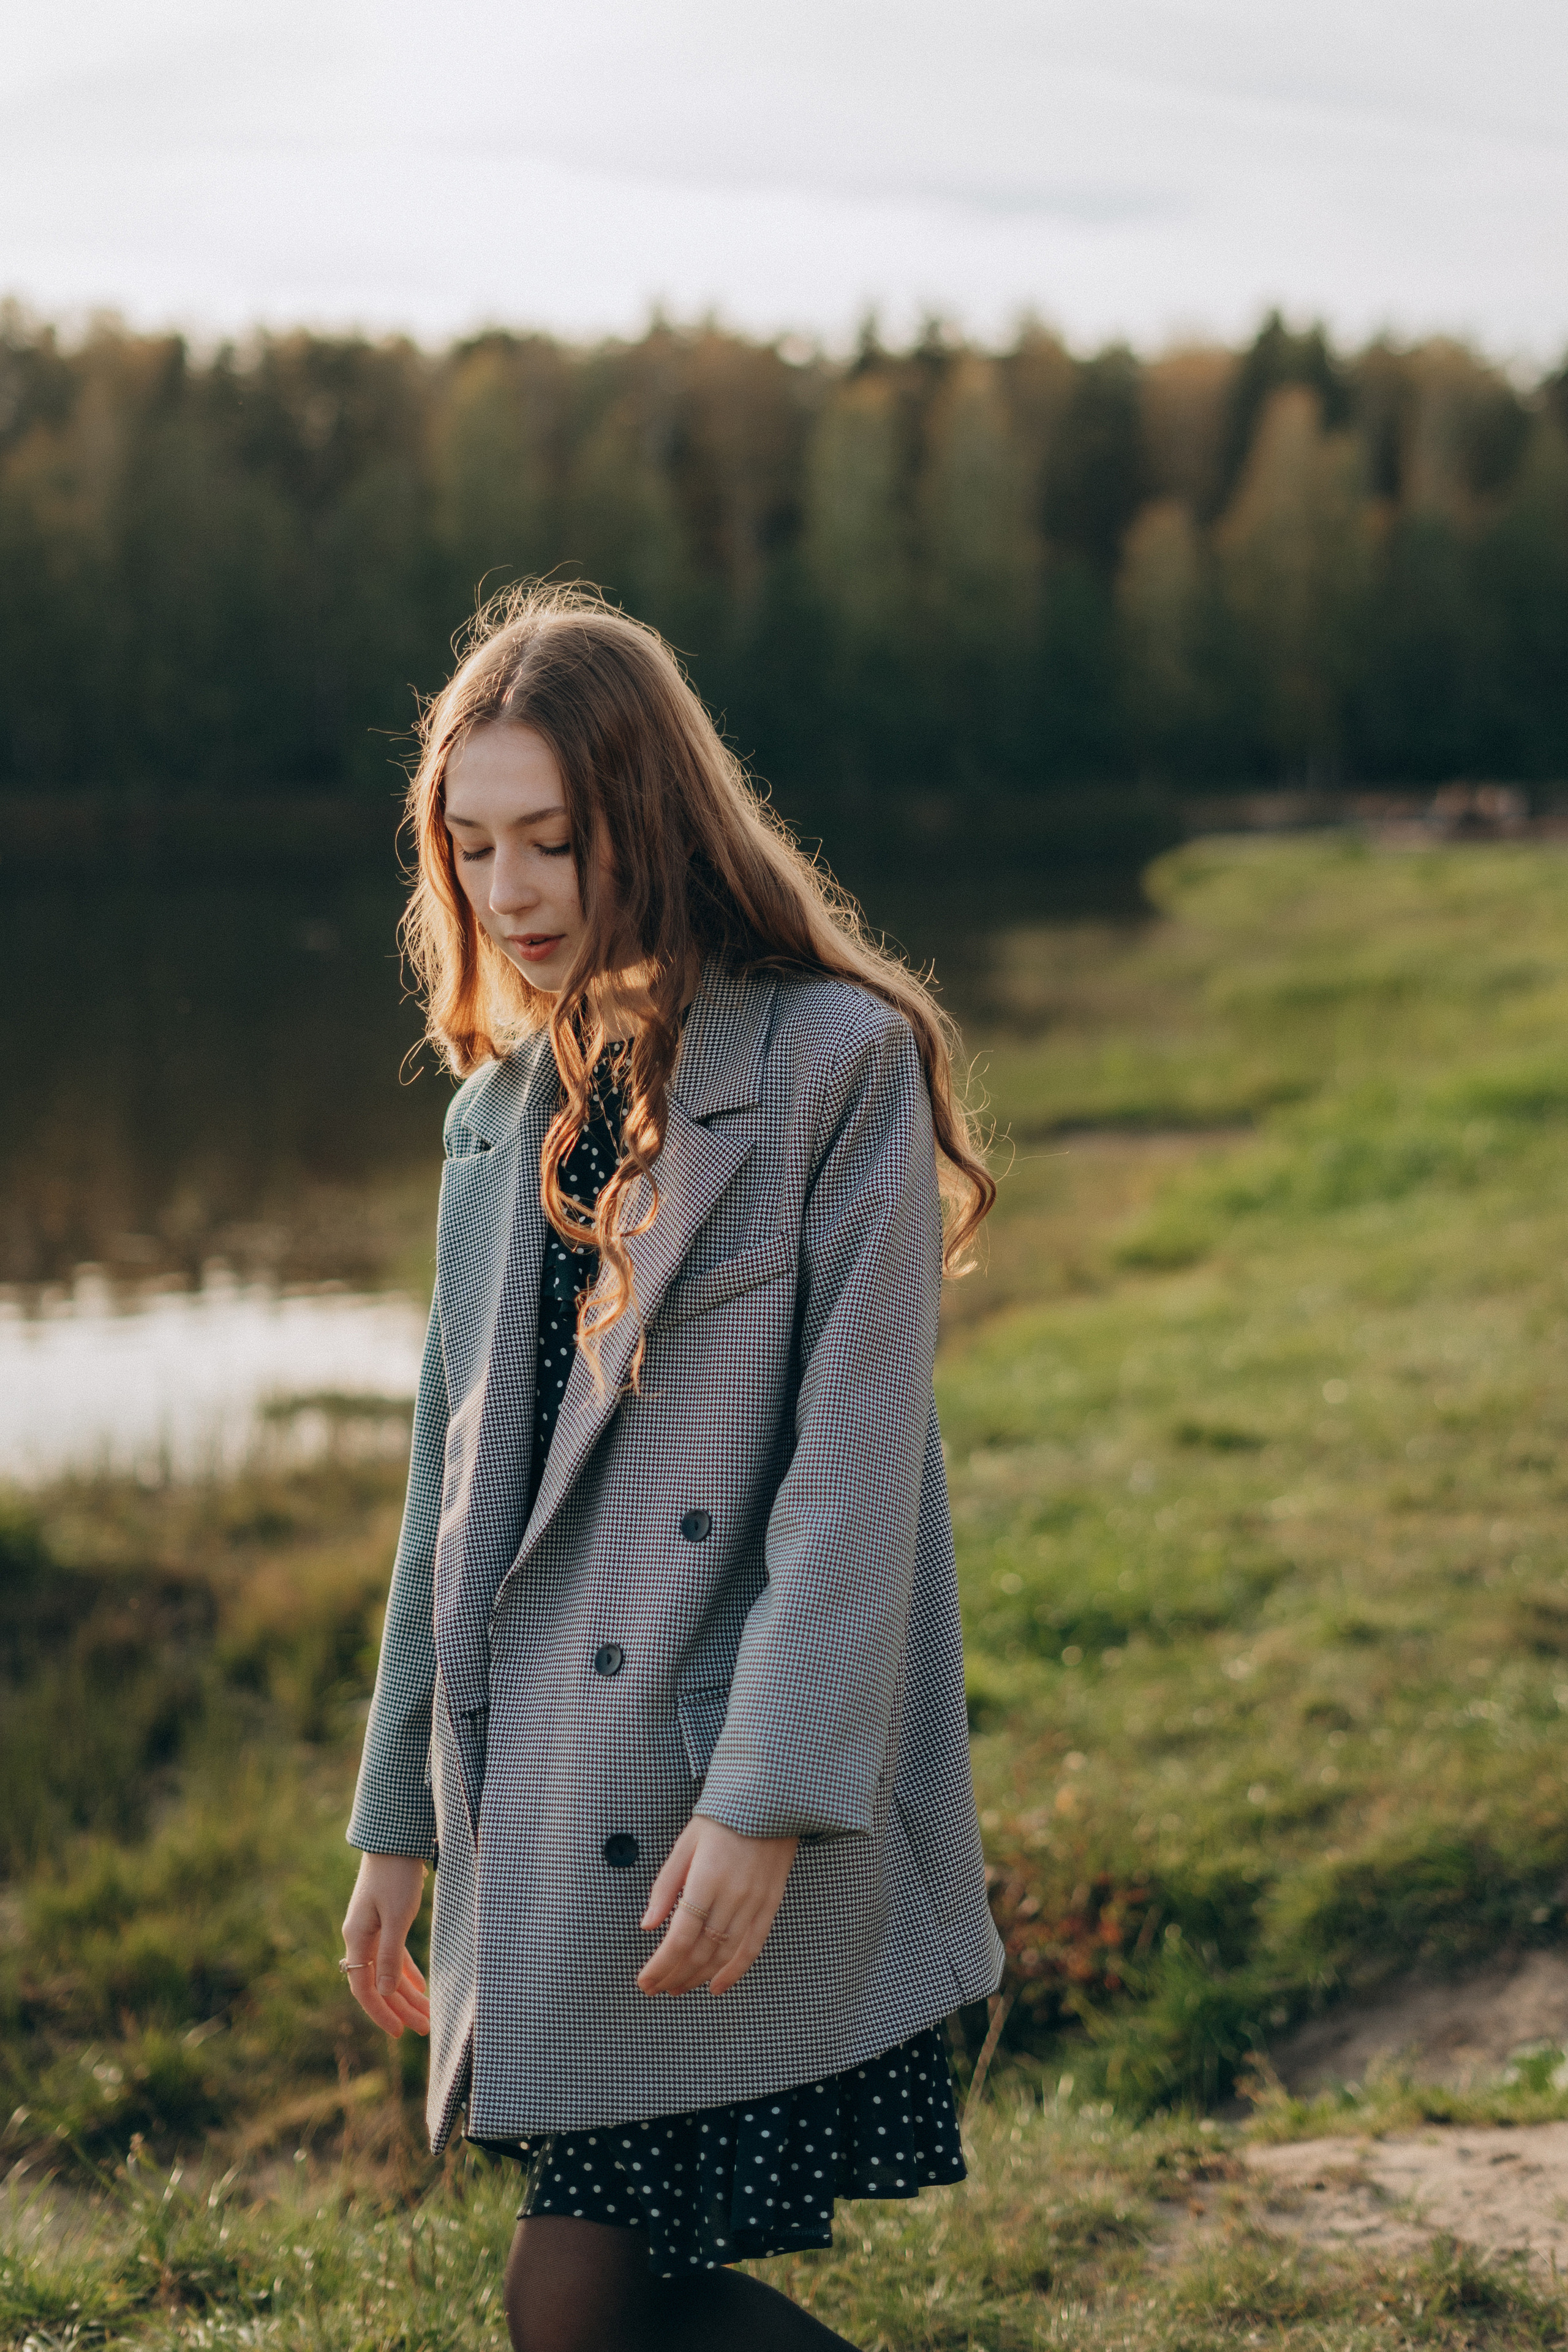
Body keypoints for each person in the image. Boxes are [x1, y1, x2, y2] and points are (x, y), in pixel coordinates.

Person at [340, 584, 1005, 2351]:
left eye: (552, 841)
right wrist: (397, 1819)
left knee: (577, 2307)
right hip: (549, 1797)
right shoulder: (500, 1112)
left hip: (723, 1776)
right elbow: (447, 1494)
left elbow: (850, 1487)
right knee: (604, 2302)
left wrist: (764, 1799)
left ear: (654, 817)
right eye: (472, 850)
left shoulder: (837, 1064)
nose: (512, 896)